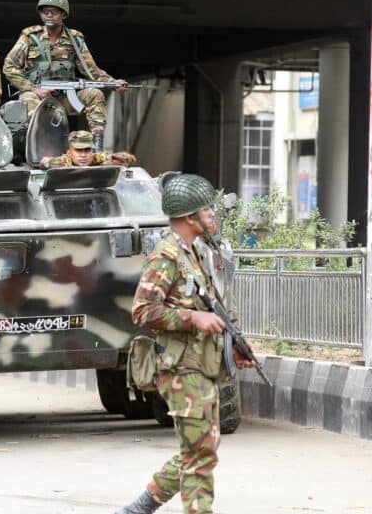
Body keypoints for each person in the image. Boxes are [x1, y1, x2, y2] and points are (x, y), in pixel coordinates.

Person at [117, 173, 255, 514]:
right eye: (207, 209)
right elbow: (143, 310)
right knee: (201, 455)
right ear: (189, 217)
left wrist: (233, 343)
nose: (213, 215)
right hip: (180, 369)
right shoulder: (166, 256)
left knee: (200, 449)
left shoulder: (194, 253)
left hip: (200, 364)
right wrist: (193, 319)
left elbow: (212, 308)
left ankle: (141, 506)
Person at [2, 0, 126, 150]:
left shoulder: (75, 39)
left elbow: (91, 70)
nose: (49, 16)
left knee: (95, 94)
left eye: (53, 12)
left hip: (65, 96)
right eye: (45, 12)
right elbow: (9, 66)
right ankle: (37, 149)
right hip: (36, 95)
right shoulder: (30, 37)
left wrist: (111, 82)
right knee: (28, 99)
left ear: (63, 15)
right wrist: (33, 88)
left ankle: (96, 147)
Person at [38, 130, 137, 169]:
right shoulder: (61, 162)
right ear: (69, 152)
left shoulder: (97, 159)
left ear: (92, 151)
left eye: (87, 150)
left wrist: (114, 158)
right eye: (78, 150)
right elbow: (45, 163)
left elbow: (128, 159)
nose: (83, 155)